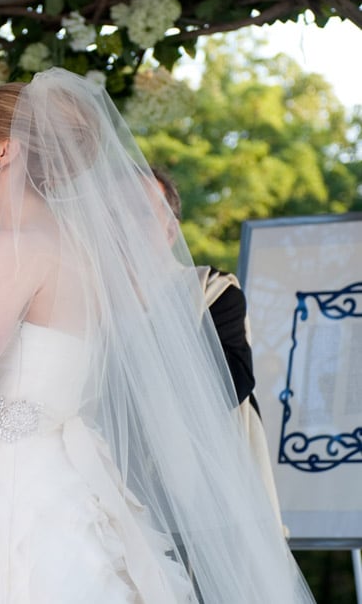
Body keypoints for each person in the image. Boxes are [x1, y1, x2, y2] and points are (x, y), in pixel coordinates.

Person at [0, 68, 315, 603]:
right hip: (70, 481)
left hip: (19, 496)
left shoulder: (19, 246)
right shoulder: (78, 251)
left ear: (8, 149)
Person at [150, 165, 285, 530]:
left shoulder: (211, 290)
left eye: (142, 210)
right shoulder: (88, 302)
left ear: (169, 229)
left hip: (206, 500)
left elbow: (232, 381)